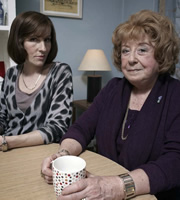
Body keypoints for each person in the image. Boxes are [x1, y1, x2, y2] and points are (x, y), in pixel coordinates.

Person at [41, 9, 180, 200]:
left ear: (162, 54)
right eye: (125, 50)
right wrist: (63, 155)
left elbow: (174, 162)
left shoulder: (175, 95)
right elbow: (81, 128)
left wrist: (115, 186)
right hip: (99, 188)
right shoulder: (113, 88)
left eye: (142, 49)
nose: (131, 59)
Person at [0, 11, 73, 152]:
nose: (43, 48)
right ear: (19, 41)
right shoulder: (11, 74)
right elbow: (2, 117)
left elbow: (58, 127)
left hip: (43, 153)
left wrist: (7, 141)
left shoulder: (60, 72)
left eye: (47, 39)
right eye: (34, 39)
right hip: (8, 154)